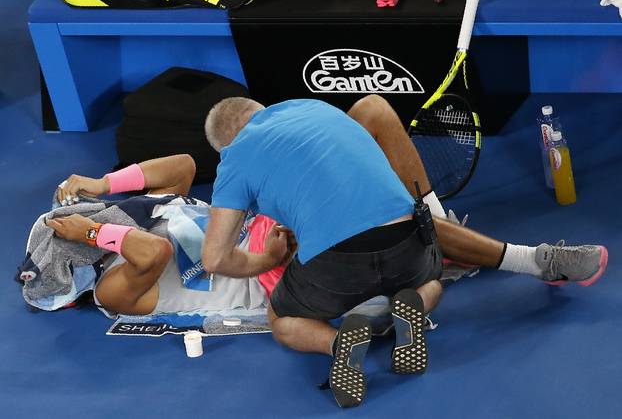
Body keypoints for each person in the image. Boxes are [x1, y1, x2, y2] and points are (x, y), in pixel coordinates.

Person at [201, 94, 608, 408]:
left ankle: (338, 344)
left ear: (227, 146)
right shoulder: (310, 107)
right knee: (427, 274)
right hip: (407, 251)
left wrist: (269, 259)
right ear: (263, 109)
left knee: (283, 318)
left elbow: (215, 259)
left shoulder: (236, 160)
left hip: (334, 273)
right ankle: (525, 258)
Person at [46, 154, 266, 317]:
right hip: (267, 274)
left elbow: (183, 166)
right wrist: (92, 232)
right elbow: (156, 251)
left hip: (271, 227)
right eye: (67, 229)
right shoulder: (108, 292)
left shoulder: (139, 218)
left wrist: (103, 183)